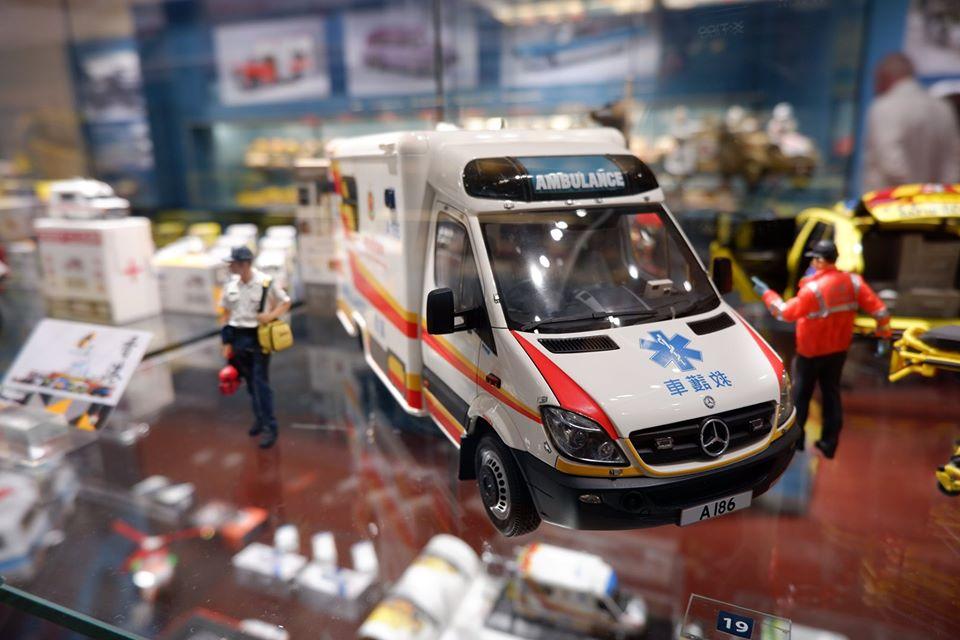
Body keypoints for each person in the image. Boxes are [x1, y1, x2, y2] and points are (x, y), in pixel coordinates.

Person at [752, 240, 891, 459]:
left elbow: (784, 312)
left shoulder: (813, 290)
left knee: (801, 396)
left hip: (810, 353)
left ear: (819, 260)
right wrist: (884, 335)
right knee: (831, 394)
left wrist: (766, 293)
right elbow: (880, 310)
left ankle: (797, 441)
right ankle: (829, 443)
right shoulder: (853, 282)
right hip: (838, 350)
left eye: (814, 259)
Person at [220, 246, 291, 449]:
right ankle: (259, 419)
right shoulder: (231, 285)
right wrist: (226, 343)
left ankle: (270, 426)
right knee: (251, 385)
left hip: (258, 337)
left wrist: (270, 316)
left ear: (244, 264)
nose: (230, 266)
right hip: (238, 338)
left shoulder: (265, 282)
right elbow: (225, 313)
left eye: (233, 263)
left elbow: (285, 302)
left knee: (261, 384)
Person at [863, 52, 960, 192]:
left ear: (885, 77)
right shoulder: (942, 108)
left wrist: (915, 192)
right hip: (936, 200)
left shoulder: (884, 107)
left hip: (891, 200)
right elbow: (954, 159)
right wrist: (936, 192)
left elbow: (890, 160)